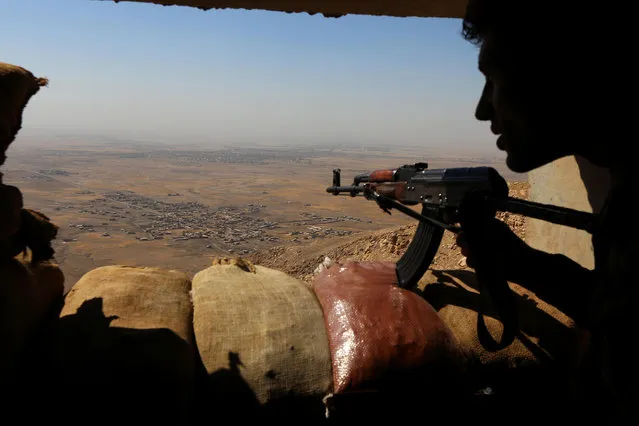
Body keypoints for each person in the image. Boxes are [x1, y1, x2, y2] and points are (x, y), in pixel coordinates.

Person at [456, 0, 637, 422]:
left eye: (494, 78)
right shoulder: (628, 184)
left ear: (562, 72)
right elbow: (616, 306)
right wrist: (517, 259)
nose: (483, 109)